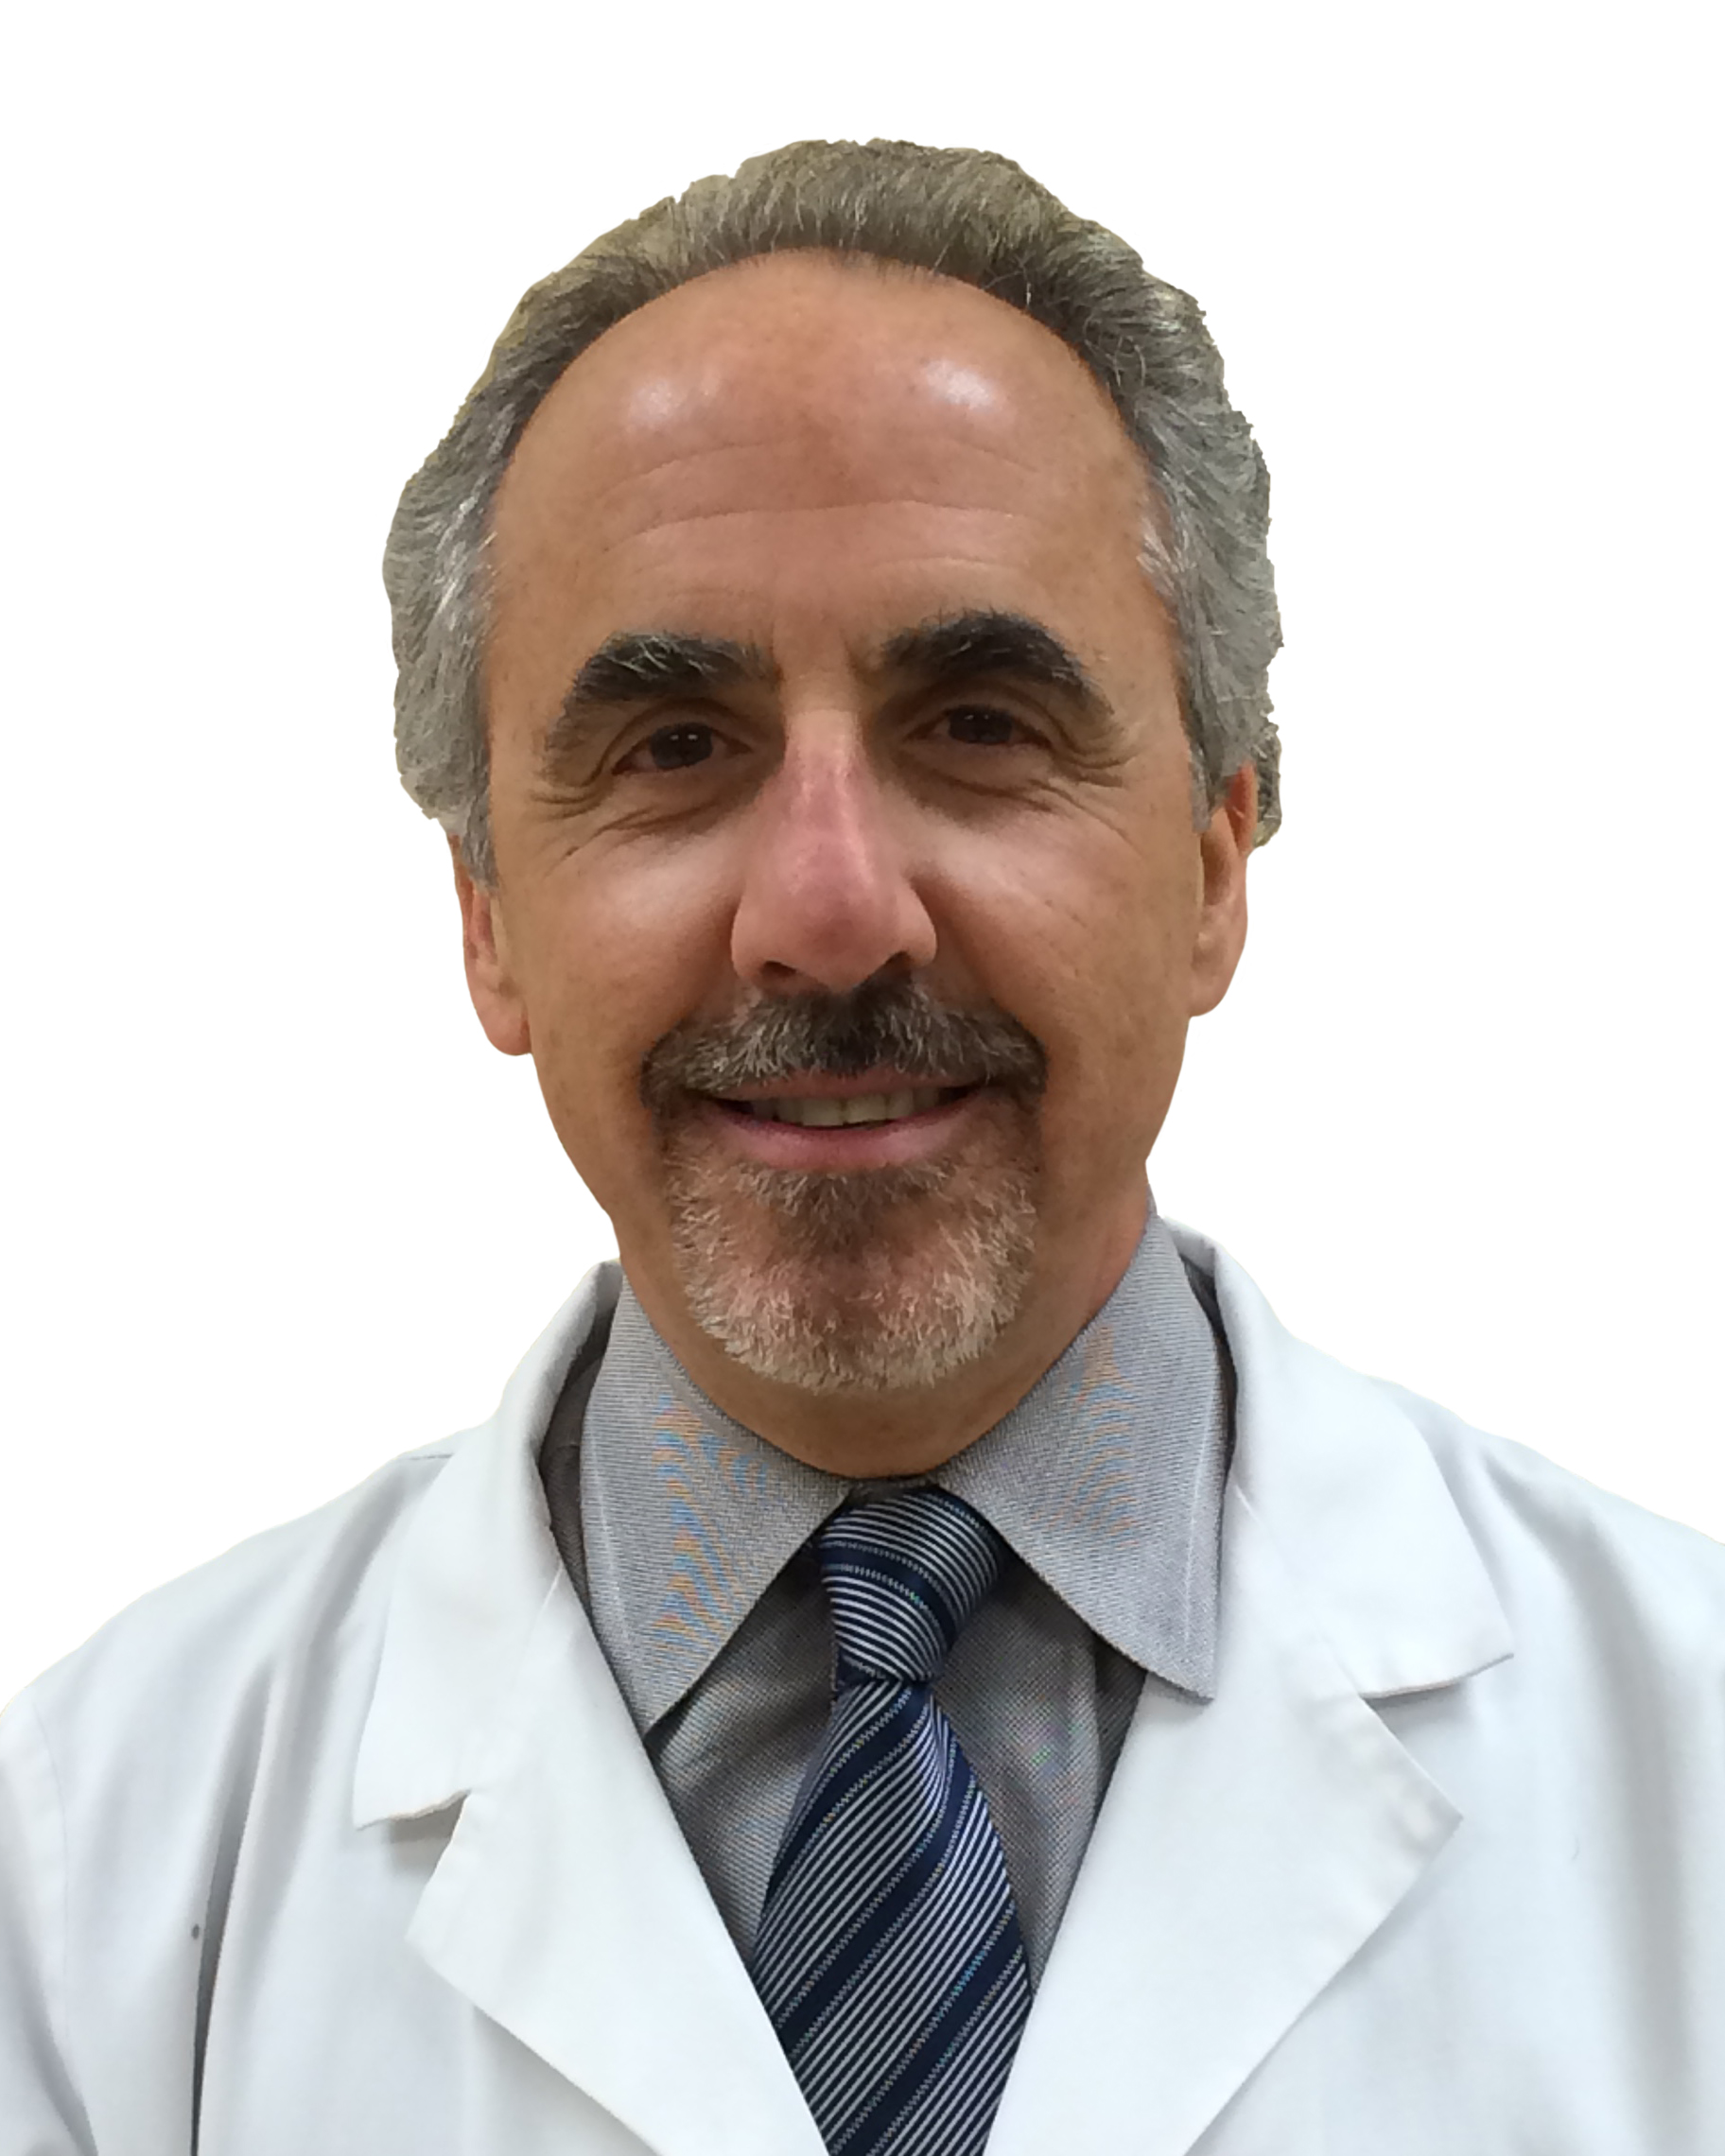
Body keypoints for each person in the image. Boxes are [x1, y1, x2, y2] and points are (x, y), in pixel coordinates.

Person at [2, 136, 1721, 2156]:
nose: (827, 912)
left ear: (1214, 864)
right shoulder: (93, 1868)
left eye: (981, 725)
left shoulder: (1686, 1760)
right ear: (487, 919)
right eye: (674, 750)